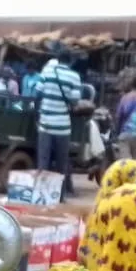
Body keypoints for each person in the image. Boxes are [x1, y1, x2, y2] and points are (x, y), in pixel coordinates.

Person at [36, 48, 81, 186]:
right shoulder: (74, 76)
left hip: (45, 125)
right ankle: (59, 195)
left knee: (43, 162)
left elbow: (38, 93)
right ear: (70, 61)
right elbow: (75, 101)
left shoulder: (46, 72)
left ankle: (42, 193)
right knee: (61, 163)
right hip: (63, 127)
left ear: (58, 59)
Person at [114, 73, 136, 159]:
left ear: (131, 85)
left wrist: (117, 133)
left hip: (124, 134)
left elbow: (118, 117)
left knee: (125, 163)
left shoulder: (124, 98)